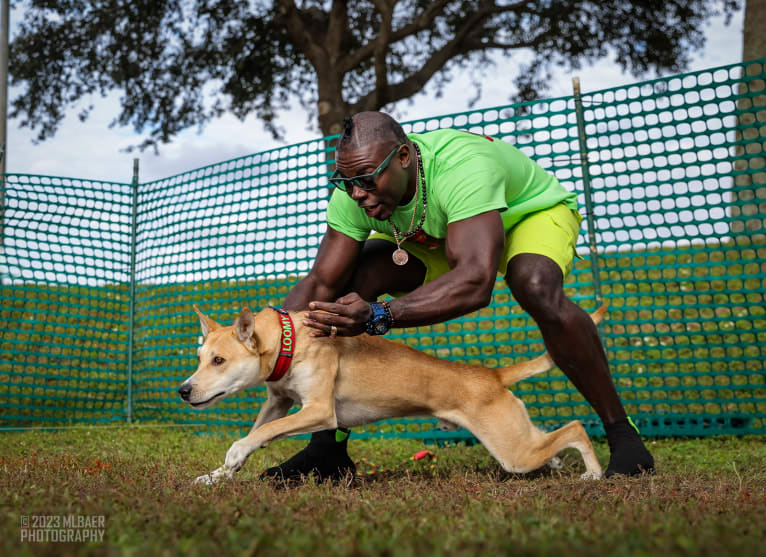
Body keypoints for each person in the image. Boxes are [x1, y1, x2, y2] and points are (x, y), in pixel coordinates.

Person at [260, 111, 654, 482]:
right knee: (352, 281)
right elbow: (320, 283)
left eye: (366, 179)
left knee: (533, 285)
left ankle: (622, 433)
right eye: (346, 182)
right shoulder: (355, 191)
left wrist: (380, 315)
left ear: (402, 157)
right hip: (444, 237)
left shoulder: (462, 168)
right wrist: (267, 335)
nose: (356, 193)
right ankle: (327, 450)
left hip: (525, 216)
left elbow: (475, 282)